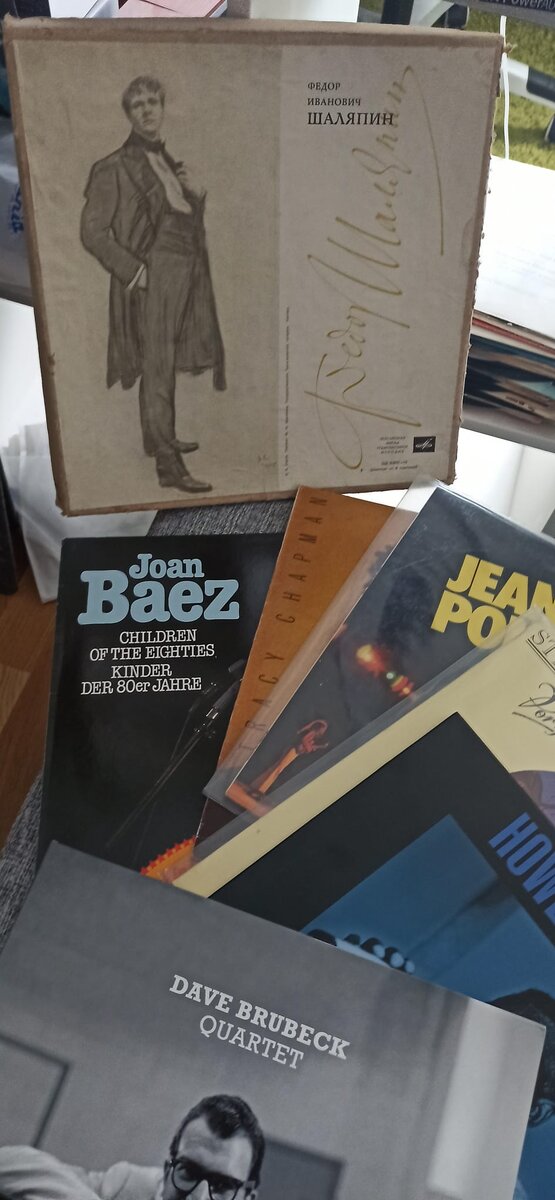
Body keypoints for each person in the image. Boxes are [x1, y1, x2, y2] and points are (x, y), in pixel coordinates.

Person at [81, 75, 226, 495]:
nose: (146, 110)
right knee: (157, 365)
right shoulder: (112, 167)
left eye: (152, 102)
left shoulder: (169, 161)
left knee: (167, 360)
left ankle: (158, 436)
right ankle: (167, 464)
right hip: (154, 275)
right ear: (128, 114)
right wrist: (136, 272)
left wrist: (198, 195)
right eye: (137, 104)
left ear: (163, 107)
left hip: (186, 270)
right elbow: (92, 232)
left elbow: (180, 213)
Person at [0, 1093, 264, 1200]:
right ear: (166, 1171)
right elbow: (11, 1163)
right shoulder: (129, 1186)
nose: (199, 1197)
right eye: (189, 1172)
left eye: (222, 1186)